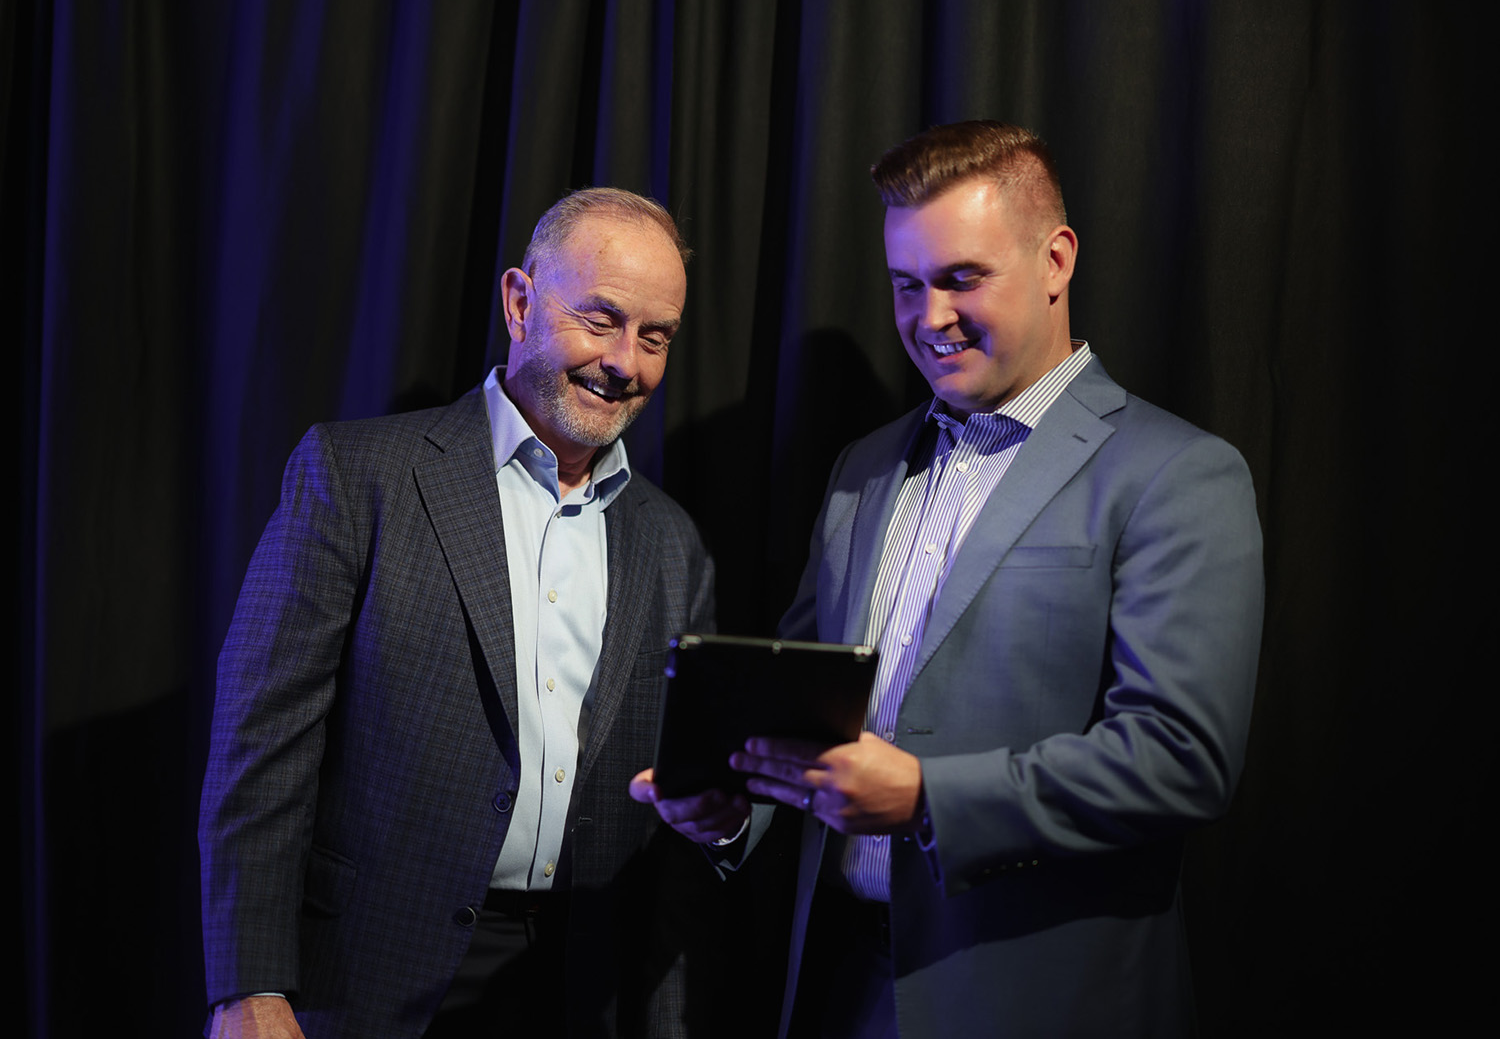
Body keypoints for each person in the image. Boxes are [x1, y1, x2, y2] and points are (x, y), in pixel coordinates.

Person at [645, 121, 1264, 1036]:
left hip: (1039, 999)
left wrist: (927, 797)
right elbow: (802, 705)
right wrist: (733, 806)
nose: (927, 318)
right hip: (842, 985)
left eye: (961, 278)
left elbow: (1182, 758)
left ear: (1055, 261)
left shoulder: (1176, 474)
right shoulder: (863, 466)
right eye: (907, 285)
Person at [200, 188, 717, 1039]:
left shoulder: (672, 542)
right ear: (520, 303)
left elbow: (671, 837)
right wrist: (249, 984)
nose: (625, 361)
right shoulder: (357, 475)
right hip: (362, 980)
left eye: (654, 337)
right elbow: (261, 748)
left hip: (574, 991)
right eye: (601, 319)